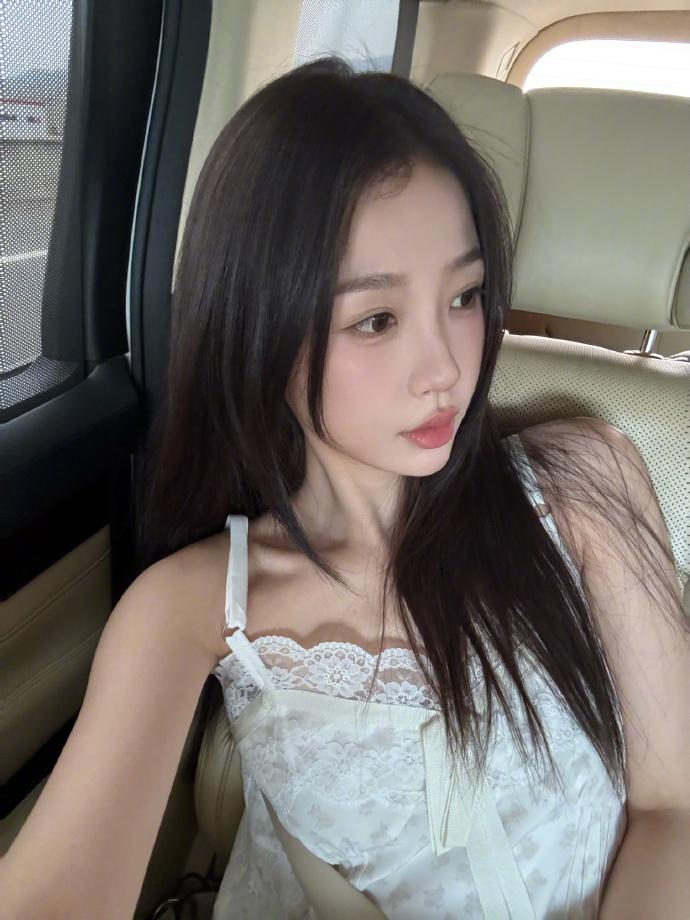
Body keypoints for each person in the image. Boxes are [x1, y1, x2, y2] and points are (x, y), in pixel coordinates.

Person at [2, 57, 687, 920]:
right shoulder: (194, 606)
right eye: (377, 319)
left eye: (466, 295)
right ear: (262, 329)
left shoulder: (588, 479)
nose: (447, 369)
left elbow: (674, 806)